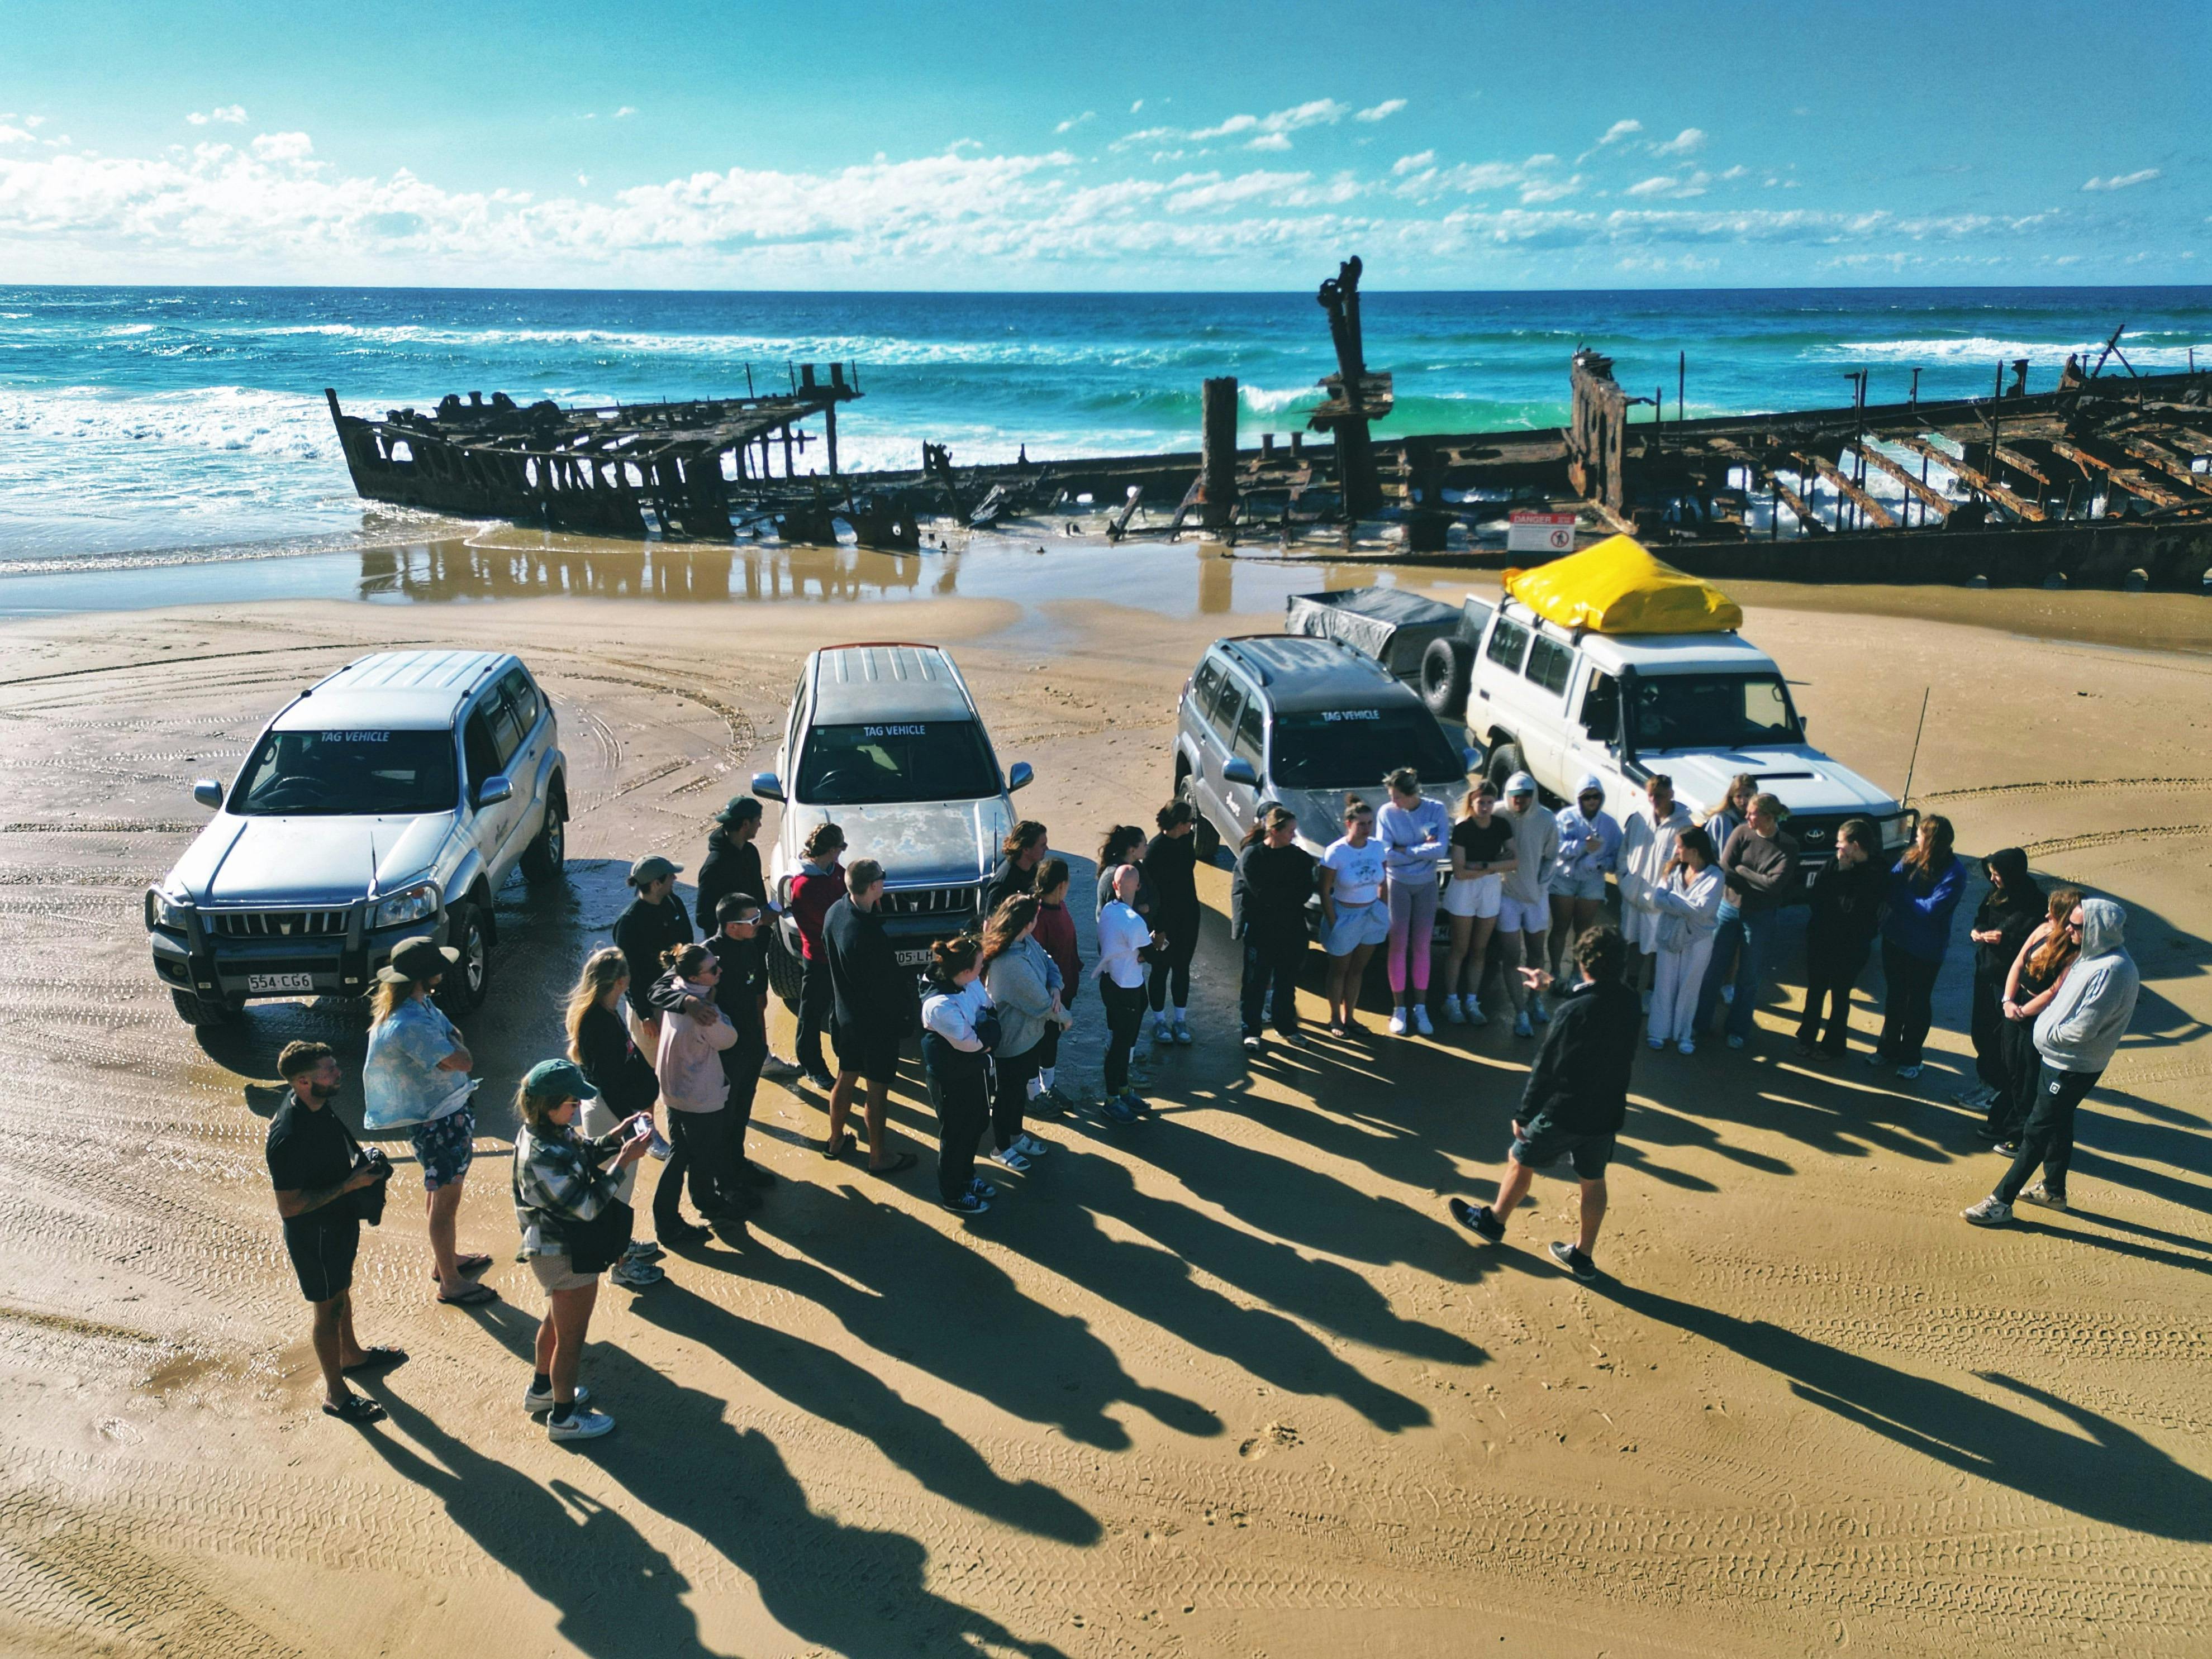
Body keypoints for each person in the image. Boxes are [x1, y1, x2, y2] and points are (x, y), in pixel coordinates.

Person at [1447, 927, 1639, 1282]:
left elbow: (1547, 1067)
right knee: (1593, 1180)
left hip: (1566, 1111)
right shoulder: (1631, 1001)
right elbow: (1596, 992)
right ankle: (1583, 1256)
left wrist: (1524, 1113)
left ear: (1583, 963)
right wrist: (1552, 985)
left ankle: (1493, 1222)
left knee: (1520, 1158)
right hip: (1607, 1112)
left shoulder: (1572, 1013)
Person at [1965, 897, 2139, 1226]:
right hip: (2057, 1058)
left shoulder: (2112, 970)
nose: (2068, 929)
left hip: (2073, 1065)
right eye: (2069, 923)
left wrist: (2047, 1033)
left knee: (2037, 1130)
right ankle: (2053, 1190)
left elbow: (2084, 1028)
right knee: (2058, 1122)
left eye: (2076, 925)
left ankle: (2000, 1202)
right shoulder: (2090, 956)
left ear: (2097, 929)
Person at [511, 1057, 655, 1442]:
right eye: (572, 1102)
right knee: (571, 1341)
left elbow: (583, 1152)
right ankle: (564, 1418)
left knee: (556, 1322)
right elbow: (588, 1206)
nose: (577, 1108)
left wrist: (617, 1136)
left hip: (555, 1248)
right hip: (563, 1253)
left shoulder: (546, 1130)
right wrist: (623, 1162)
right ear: (550, 1105)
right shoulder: (541, 1153)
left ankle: (542, 1390)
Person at [267, 1040, 399, 1424]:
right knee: (328, 1310)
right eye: (329, 1070)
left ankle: (352, 1355)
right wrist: (350, 1185)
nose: (339, 1073)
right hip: (315, 1235)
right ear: (303, 1082)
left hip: (336, 1223)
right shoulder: (288, 1136)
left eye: (335, 1065)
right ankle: (336, 1395)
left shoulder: (316, 1104)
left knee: (342, 1292)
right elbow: (289, 1206)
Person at [362, 936, 493, 1307]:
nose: (443, 971)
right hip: (438, 1120)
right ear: (425, 975)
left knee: (439, 1192)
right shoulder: (410, 1023)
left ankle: (445, 1261)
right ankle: (450, 1283)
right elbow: (463, 1059)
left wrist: (453, 1047)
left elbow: (454, 1043)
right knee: (445, 1199)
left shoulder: (418, 1006)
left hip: (443, 1112)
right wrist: (456, 1049)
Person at [563, 949, 670, 1283]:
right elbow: (609, 1082)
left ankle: (621, 1243)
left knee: (618, 1186)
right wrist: (634, 1125)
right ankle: (622, 1264)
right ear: (622, 982)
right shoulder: (599, 1023)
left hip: (610, 1107)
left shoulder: (603, 1012)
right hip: (611, 1112)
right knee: (616, 1191)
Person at [821, 858, 920, 1175]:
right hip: (875, 1027)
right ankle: (878, 1156)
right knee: (877, 1090)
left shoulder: (836, 912)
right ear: (874, 886)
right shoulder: (866, 934)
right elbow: (885, 989)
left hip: (845, 1017)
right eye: (883, 878)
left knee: (846, 1077)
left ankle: (835, 1140)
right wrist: (904, 1018)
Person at [697, 797, 800, 1080]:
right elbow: (704, 918)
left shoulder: (750, 852)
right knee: (734, 1009)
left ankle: (761, 1058)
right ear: (745, 824)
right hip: (727, 957)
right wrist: (746, 925)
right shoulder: (714, 866)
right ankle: (736, 1064)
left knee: (759, 1001)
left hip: (754, 947)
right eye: (757, 821)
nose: (760, 826)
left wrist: (762, 919)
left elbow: (756, 893)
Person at [649, 941, 750, 1229]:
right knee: (703, 1155)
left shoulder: (676, 988)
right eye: (713, 969)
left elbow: (659, 988)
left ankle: (666, 1215)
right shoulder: (705, 1013)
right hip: (699, 1096)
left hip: (673, 1090)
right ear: (694, 977)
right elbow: (729, 1039)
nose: (720, 971)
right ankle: (706, 1204)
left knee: (680, 1152)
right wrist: (713, 1007)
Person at [1694, 792, 1802, 1049]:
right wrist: (1755, 879)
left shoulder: (1788, 846)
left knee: (1749, 976)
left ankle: (1738, 1030)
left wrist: (1742, 870)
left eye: (1753, 813)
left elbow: (1774, 886)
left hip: (1760, 917)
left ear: (1768, 817)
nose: (1747, 817)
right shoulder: (1742, 832)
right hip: (1728, 909)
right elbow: (1725, 867)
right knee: (1712, 969)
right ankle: (1699, 1023)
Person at [1986, 886, 2082, 1146]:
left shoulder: (2073, 952)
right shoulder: (2042, 930)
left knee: (2028, 1074)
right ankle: (2004, 1120)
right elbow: (2018, 963)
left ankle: (2019, 1135)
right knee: (2009, 1066)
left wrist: (2023, 1012)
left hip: (2039, 1013)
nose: (2047, 916)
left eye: (2053, 913)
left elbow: (2054, 991)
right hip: (2017, 1003)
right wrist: (2008, 1001)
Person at [1873, 814, 1965, 1080]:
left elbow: (1932, 910)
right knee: (1895, 997)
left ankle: (1911, 1058)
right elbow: (1891, 882)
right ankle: (1887, 1048)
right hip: (1895, 939)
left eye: (1920, 835)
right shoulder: (1911, 857)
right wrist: (1904, 899)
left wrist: (1902, 898)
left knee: (1917, 1003)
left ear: (1932, 841)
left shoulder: (1955, 873)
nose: (1916, 838)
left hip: (1926, 949)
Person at [979, 895, 1065, 1172]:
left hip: (1030, 1038)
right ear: (1028, 923)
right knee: (1007, 1096)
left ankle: (1016, 1136)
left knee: (1018, 1094)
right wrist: (1065, 1017)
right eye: (1036, 916)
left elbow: (1049, 963)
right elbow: (1040, 1002)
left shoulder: (1025, 941)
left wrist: (1056, 988)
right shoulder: (1009, 962)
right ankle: (1001, 1147)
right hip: (1011, 1042)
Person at [1958, 847, 2046, 1110]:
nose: (1994, 879)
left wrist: (2005, 938)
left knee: (2001, 1039)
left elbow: (2036, 940)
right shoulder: (1995, 894)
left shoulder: (2034, 901)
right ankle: (1987, 1082)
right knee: (1981, 1031)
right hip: (1987, 971)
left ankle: (1999, 1089)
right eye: (1992, 874)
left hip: (2009, 980)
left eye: (1998, 874)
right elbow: (1982, 918)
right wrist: (1979, 931)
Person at [919, 937, 1001, 1215]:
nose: (983, 969)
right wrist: (988, 1032)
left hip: (973, 1071)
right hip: (949, 1079)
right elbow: (974, 1043)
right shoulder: (939, 1005)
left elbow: (990, 1009)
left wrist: (987, 1029)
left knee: (977, 1124)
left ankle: (967, 1176)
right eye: (980, 965)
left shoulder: (969, 982)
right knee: (955, 1136)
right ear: (965, 971)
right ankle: (953, 1195)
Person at [1793, 819, 1887, 1058]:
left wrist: (1844, 876)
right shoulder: (1833, 863)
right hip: (1821, 940)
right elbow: (1816, 896)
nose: (1837, 847)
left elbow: (1851, 909)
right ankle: (1807, 1037)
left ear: (1855, 846)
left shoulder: (1875, 872)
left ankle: (1832, 1046)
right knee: (1815, 991)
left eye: (1841, 843)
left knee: (1840, 995)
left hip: (1850, 947)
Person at [1231, 805, 1315, 1052]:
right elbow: (1262, 893)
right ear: (1275, 831)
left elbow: (1304, 891)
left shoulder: (1300, 858)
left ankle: (1286, 1026)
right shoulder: (1253, 856)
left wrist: (1281, 897)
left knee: (1286, 982)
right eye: (1290, 831)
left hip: (1292, 930)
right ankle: (1251, 1031)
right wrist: (1286, 896)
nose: (1294, 835)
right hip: (1261, 931)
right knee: (1255, 983)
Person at [1377, 767, 1450, 1036]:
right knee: (1398, 945)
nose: (1393, 802)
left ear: (1412, 794)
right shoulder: (1386, 813)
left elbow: (1440, 849)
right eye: (1391, 797)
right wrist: (1421, 852)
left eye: (1397, 797)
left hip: (1426, 885)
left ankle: (1420, 1007)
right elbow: (1385, 853)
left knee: (1422, 946)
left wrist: (1405, 850)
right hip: (1397, 884)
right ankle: (1399, 1009)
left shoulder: (1436, 809)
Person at [1440, 778, 1515, 1027]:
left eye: (1489, 802)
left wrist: (1482, 866)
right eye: (1481, 802)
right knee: (1459, 949)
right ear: (1472, 803)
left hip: (1490, 889)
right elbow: (1460, 872)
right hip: (1464, 891)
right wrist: (1496, 865)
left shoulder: (1502, 826)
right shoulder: (1463, 829)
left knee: (1480, 950)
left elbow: (1515, 862)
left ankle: (1472, 1001)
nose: (1485, 807)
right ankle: (1452, 1001)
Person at [1644, 827, 1725, 1052]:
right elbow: (1658, 899)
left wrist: (1672, 900)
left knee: (1689, 988)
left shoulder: (1716, 876)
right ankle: (1658, 1032)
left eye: (1680, 846)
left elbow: (1703, 910)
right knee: (1664, 985)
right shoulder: (1672, 869)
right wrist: (1685, 905)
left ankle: (1684, 1035)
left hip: (1698, 940)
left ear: (1694, 850)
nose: (1676, 850)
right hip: (1669, 936)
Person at [1615, 774, 1694, 999]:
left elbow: (1684, 865)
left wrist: (1667, 894)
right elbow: (1625, 849)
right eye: (1651, 795)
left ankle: (1651, 990)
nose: (1654, 801)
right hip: (1633, 895)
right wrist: (1624, 880)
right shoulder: (1639, 817)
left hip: (1660, 901)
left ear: (1671, 794)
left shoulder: (1684, 825)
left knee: (1657, 948)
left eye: (1660, 796)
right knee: (1632, 942)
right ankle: (1630, 988)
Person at [1495, 773, 1561, 1039]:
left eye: (1525, 796)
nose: (1519, 801)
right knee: (1511, 956)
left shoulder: (1547, 819)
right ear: (1507, 796)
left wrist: (1541, 885)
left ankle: (1535, 1001)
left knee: (1536, 953)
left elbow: (1552, 857)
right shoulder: (1497, 813)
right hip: (1506, 897)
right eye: (1515, 797)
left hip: (1536, 898)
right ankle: (1520, 1011)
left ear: (1534, 796)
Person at [1319, 795, 1390, 1039]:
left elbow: (1383, 882)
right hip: (1345, 915)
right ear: (1349, 824)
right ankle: (1335, 1017)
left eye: (1370, 823)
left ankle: (1350, 1016)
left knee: (1358, 969)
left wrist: (1383, 909)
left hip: (1371, 915)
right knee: (1339, 970)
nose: (1367, 829)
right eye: (1361, 824)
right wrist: (1333, 921)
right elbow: (1324, 890)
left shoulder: (1377, 847)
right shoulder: (1336, 852)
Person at [612, 855, 693, 1051]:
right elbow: (629, 974)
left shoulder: (674, 903)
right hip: (651, 1006)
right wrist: (645, 1015)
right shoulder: (629, 924)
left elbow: (688, 944)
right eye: (670, 876)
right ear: (657, 884)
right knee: (655, 1060)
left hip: (679, 995)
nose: (675, 879)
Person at [1546, 775, 1621, 985]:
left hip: (1592, 881)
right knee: (1560, 927)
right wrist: (1582, 847)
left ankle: (1578, 974)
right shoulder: (1565, 817)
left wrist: (1600, 864)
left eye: (1596, 796)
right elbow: (1555, 849)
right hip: (1565, 878)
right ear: (1579, 798)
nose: (1592, 801)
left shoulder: (1610, 824)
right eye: (1587, 797)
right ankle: (1555, 972)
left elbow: (1617, 857)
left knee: (1584, 930)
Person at [788, 822, 847, 1090]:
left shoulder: (834, 871)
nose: (842, 852)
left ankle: (845, 1056)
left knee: (840, 1010)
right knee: (811, 1014)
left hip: (838, 955)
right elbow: (828, 923)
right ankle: (813, 1066)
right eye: (842, 847)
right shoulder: (805, 884)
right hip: (819, 958)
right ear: (832, 850)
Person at [1095, 864, 1155, 1122]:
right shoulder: (1135, 922)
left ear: (1115, 886)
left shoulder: (1109, 910)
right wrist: (1155, 945)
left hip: (1111, 983)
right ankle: (1111, 1100)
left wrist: (1142, 951)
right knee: (1121, 1046)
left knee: (1120, 1042)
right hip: (1126, 989)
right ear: (1138, 887)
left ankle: (1122, 1090)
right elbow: (1152, 956)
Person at [1696, 773, 1759, 1006]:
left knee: (1736, 944)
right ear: (1731, 797)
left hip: (1745, 892)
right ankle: (1705, 984)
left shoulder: (1758, 822)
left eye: (1748, 795)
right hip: (1720, 889)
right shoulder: (1720, 821)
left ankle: (1728, 983)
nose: (1743, 800)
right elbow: (1708, 854)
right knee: (1715, 941)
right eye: (1738, 796)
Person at [1143, 800, 1202, 1045]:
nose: (1192, 825)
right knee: (1160, 969)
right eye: (1190, 821)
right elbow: (1152, 893)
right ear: (1178, 823)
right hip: (1164, 922)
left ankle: (1180, 1020)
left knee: (1182, 967)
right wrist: (1157, 929)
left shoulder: (1187, 841)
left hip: (1188, 916)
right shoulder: (1155, 851)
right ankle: (1159, 1021)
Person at [1030, 856, 1082, 1104]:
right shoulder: (1039, 917)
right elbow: (1038, 962)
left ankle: (1047, 1085)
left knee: (1052, 1039)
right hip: (1050, 995)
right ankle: (1039, 1090)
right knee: (1045, 1040)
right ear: (1062, 885)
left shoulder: (1060, 906)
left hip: (1065, 986)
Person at [983, 820, 1050, 917]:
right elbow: (990, 922)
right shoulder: (1003, 884)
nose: (1047, 848)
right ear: (1026, 849)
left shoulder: (1033, 868)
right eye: (1042, 845)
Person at [1094, 824, 1152, 919]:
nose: (1147, 848)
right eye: (1145, 845)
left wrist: (1149, 906)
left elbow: (1153, 893)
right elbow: (1116, 912)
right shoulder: (1115, 876)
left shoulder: (1137, 866)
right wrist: (1139, 908)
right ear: (1132, 851)